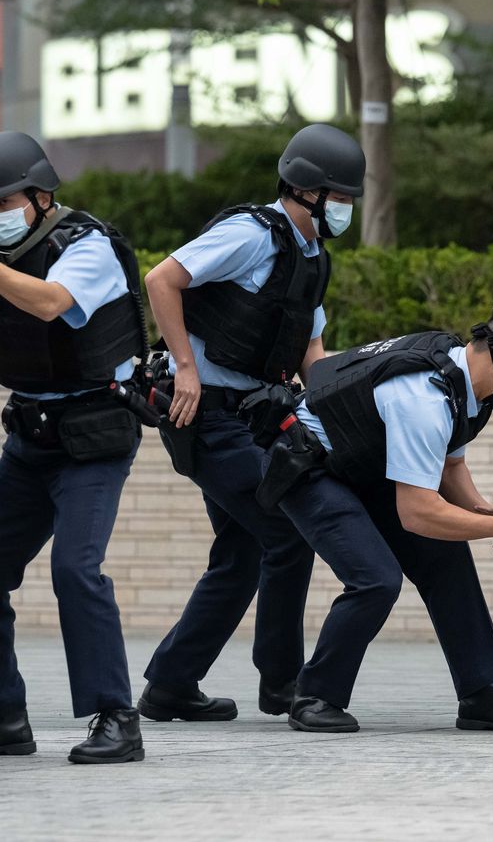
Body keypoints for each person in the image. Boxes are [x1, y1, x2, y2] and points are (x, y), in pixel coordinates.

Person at [137, 124, 366, 723]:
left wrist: (349, 415)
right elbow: (161, 279)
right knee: (285, 531)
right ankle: (283, 684)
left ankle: (170, 684)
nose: (346, 208)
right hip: (205, 416)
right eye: (341, 197)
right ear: (309, 192)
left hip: (251, 420)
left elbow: (312, 361)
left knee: (240, 552)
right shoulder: (252, 235)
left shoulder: (312, 257)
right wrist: (185, 367)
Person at [0, 131, 147, 764]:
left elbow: (52, 303)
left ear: (40, 195)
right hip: (31, 437)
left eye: (5, 203)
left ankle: (117, 718)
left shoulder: (87, 245)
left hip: (94, 434)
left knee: (75, 570)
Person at [263, 300, 493, 733]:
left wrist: (489, 510)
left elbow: (450, 468)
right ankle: (315, 695)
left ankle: (482, 693)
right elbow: (417, 512)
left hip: (359, 466)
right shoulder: (425, 398)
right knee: (375, 578)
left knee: (446, 556)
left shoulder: (464, 389)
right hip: (308, 466)